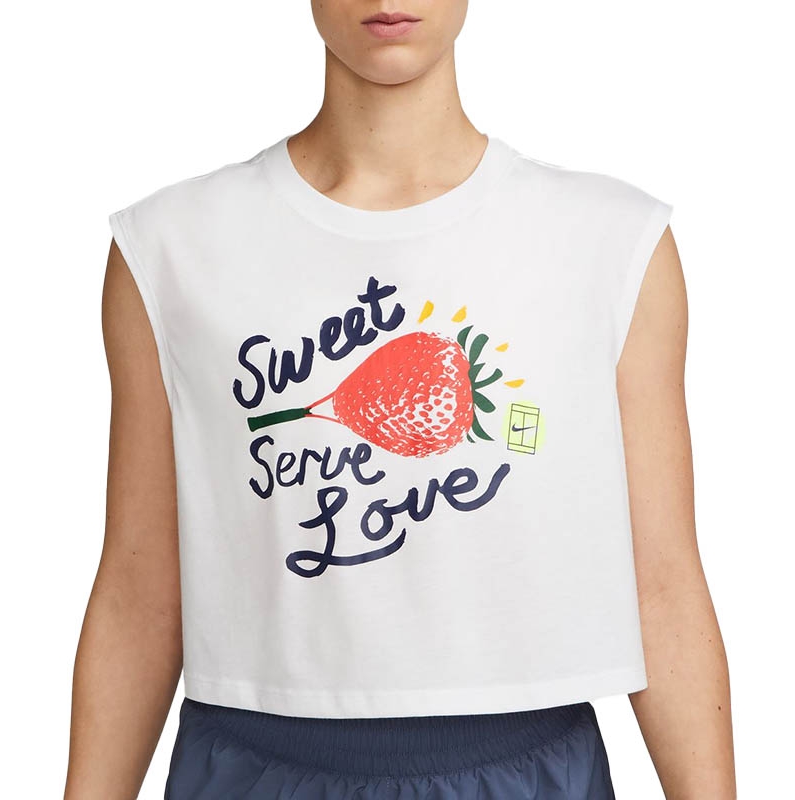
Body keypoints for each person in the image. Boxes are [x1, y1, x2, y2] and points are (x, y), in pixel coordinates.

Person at [65, 2, 736, 798]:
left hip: (529, 774)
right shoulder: (172, 245)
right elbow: (140, 589)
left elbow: (661, 581)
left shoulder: (611, 241)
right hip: (249, 771)